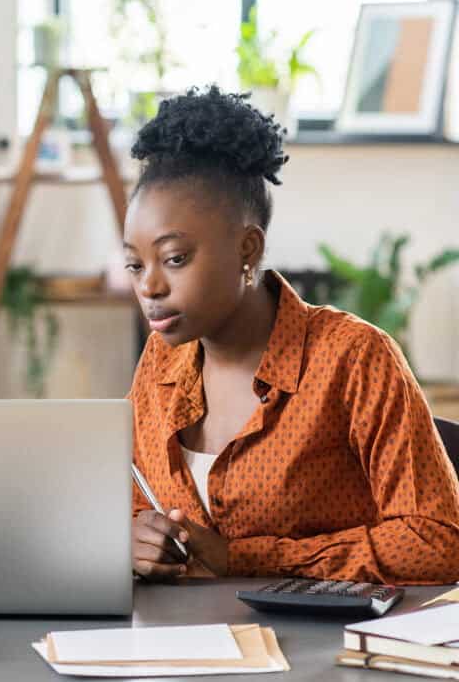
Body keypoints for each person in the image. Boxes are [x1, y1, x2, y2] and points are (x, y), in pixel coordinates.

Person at [124, 86, 459, 584]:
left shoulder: (354, 357)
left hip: (323, 649)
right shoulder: (161, 359)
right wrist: (135, 540)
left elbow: (438, 541)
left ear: (247, 249)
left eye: (174, 259)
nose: (149, 286)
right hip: (181, 645)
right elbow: (134, 506)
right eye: (135, 264)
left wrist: (245, 558)